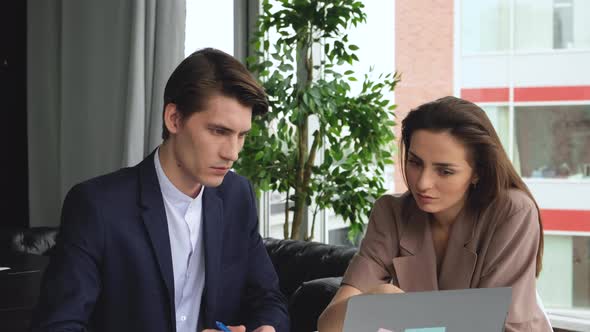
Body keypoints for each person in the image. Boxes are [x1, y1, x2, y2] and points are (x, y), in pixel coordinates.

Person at [32, 48, 289, 332]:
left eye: (241, 136)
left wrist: (267, 329)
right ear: (174, 119)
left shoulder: (237, 196)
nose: (233, 153)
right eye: (219, 131)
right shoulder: (97, 206)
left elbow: (268, 299)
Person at [318, 96, 551, 332]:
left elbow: (498, 326)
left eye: (445, 171)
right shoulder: (391, 212)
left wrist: (398, 313)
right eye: (415, 162)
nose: (423, 183)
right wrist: (375, 301)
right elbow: (328, 324)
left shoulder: (513, 212)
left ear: (478, 172)